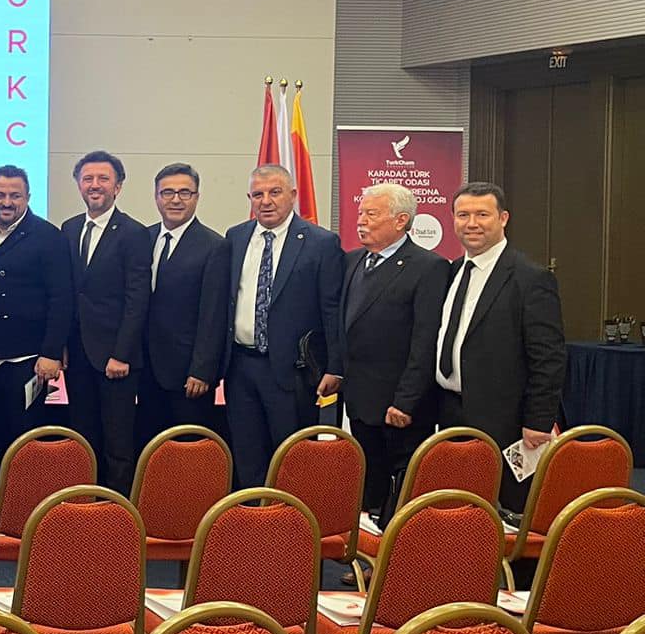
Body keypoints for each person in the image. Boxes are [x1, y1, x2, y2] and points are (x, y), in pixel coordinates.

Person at [434, 181, 565, 515]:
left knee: (506, 515)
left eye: (482, 215)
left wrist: (538, 421)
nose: (472, 223)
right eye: (463, 215)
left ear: (503, 218)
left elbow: (548, 358)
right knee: (459, 508)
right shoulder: (452, 271)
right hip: (450, 412)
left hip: (507, 422)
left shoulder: (530, 278)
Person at [222, 164, 344, 489]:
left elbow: (331, 309)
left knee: (292, 459)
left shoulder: (321, 243)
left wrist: (335, 366)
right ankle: (251, 515)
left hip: (292, 371)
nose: (266, 201)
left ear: (292, 195)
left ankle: (290, 517)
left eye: (275, 192)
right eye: (257, 194)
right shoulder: (235, 237)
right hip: (240, 367)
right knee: (247, 457)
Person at [0, 165, 69, 503]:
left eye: (15, 196)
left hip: (29, 360)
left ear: (28, 197)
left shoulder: (48, 236)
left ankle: (23, 508)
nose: (6, 202)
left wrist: (51, 353)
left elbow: (61, 299)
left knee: (24, 439)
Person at [342, 182, 451, 524]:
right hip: (359, 400)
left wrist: (406, 401)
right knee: (369, 485)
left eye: (371, 214)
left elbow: (425, 341)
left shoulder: (428, 267)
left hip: (399, 405)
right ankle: (369, 546)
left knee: (401, 490)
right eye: (361, 212)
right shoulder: (352, 261)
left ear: (401, 220)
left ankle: (400, 548)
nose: (361, 220)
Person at [60, 151, 150, 492]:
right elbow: (68, 293)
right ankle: (85, 500)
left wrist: (122, 354)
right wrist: (61, 345)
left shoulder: (134, 233)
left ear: (118, 186)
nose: (94, 185)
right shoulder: (69, 229)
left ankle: (117, 505)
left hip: (116, 358)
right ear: (78, 185)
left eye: (103, 179)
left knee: (118, 440)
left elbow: (137, 299)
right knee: (83, 435)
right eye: (88, 179)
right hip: (78, 354)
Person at [139, 163, 229, 444]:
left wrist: (202, 370)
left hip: (188, 375)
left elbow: (213, 315)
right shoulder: (143, 238)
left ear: (196, 197)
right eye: (167, 192)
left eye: (184, 193)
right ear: (156, 197)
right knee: (149, 446)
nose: (175, 200)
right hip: (145, 369)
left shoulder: (214, 246)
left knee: (188, 450)